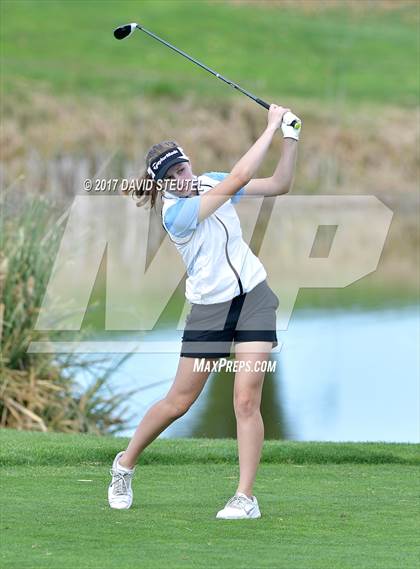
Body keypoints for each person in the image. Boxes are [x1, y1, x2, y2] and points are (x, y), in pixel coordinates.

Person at [108, 104, 301, 519]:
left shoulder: (208, 181)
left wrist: (290, 138)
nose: (183, 176)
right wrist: (269, 126)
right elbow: (239, 177)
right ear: (161, 184)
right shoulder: (176, 214)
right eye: (173, 175)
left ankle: (245, 498)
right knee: (179, 401)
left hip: (253, 298)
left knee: (247, 399)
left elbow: (280, 185)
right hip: (210, 311)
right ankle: (124, 464)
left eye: (184, 166)